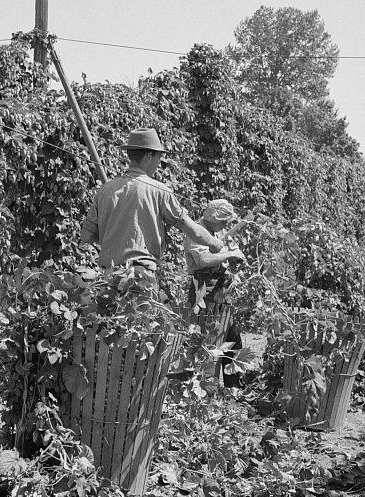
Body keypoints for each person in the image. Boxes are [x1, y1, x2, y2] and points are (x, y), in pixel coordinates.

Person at [79, 128, 225, 297]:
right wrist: (213, 242)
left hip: (108, 276)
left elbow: (86, 237)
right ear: (149, 157)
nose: (159, 163)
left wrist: (114, 233)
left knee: (110, 322)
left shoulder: (105, 190)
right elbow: (190, 228)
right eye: (158, 157)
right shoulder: (158, 190)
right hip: (140, 276)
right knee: (141, 322)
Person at [184, 199, 247, 387]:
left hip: (222, 287)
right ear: (215, 216)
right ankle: (204, 389)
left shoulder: (220, 231)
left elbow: (234, 248)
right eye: (224, 220)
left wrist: (236, 255)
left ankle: (233, 387)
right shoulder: (195, 230)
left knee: (231, 336)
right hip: (204, 287)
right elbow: (204, 259)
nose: (227, 224)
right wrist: (228, 255)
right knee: (207, 339)